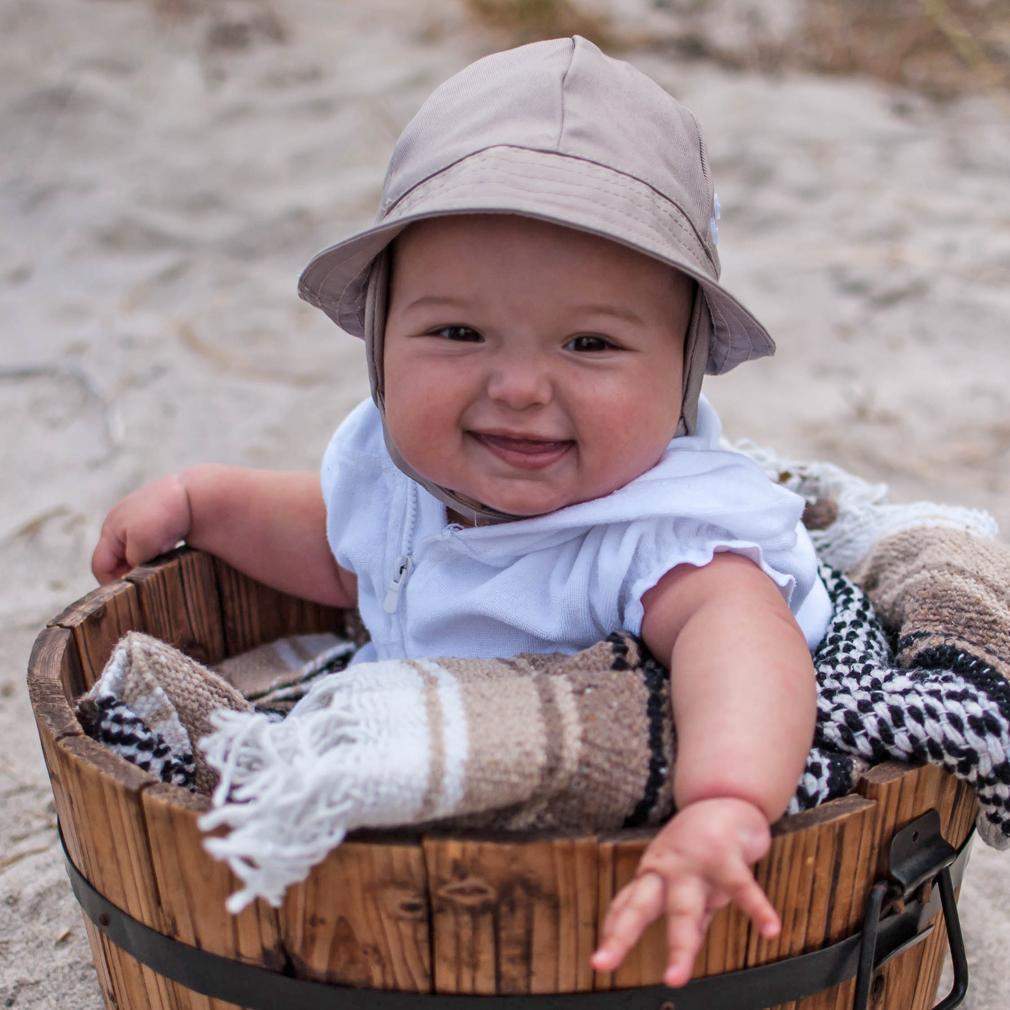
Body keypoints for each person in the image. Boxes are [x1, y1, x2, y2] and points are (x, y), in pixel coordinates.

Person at [91, 37, 834, 990]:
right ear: (381, 342)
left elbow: (744, 644)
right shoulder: (403, 471)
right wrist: (209, 501)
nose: (519, 386)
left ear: (683, 373)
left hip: (570, 866)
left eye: (591, 342)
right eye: (456, 332)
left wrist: (726, 798)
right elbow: (342, 546)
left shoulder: (662, 532)